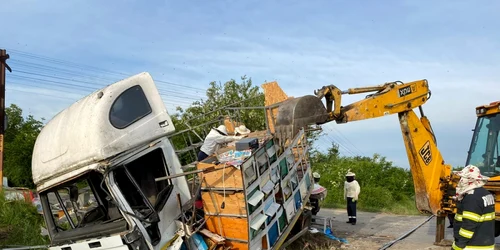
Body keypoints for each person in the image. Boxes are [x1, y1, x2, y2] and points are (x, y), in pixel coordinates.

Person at [451, 165, 495, 250]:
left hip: (472, 246)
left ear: (469, 180)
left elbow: (469, 225)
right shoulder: (486, 194)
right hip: (486, 245)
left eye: (462, 178)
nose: (460, 181)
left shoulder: (472, 197)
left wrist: (458, 246)